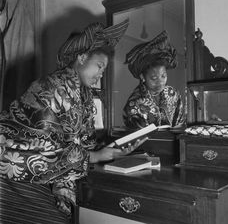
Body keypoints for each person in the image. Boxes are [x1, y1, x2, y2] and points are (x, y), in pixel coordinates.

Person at [0, 19, 146, 224]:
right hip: (13, 173)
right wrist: (95, 156)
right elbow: (43, 145)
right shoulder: (50, 86)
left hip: (44, 175)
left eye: (103, 70)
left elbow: (83, 143)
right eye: (99, 66)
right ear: (82, 57)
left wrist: (112, 150)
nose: (101, 75)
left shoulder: (84, 96)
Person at [123, 31, 184, 129]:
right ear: (142, 77)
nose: (160, 82)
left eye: (163, 76)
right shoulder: (134, 103)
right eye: (154, 78)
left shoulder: (173, 94)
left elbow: (180, 122)